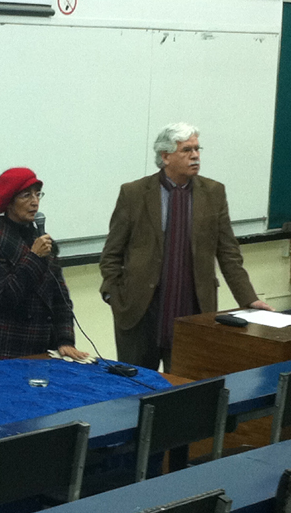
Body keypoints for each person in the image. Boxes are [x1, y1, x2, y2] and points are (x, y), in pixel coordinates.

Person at [99, 123, 272, 373]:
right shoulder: (134, 193)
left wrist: (249, 299)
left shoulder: (213, 192)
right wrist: (114, 295)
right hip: (140, 311)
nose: (195, 156)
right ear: (165, 156)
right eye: (186, 150)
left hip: (193, 308)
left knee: (187, 384)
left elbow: (228, 253)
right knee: (136, 385)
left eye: (197, 149)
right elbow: (111, 253)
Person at [0, 167, 89, 362]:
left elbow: (60, 297)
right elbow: (7, 295)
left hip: (46, 349)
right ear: (9, 202)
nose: (35, 202)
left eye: (38, 194)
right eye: (26, 195)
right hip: (7, 350)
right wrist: (34, 257)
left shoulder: (40, 237)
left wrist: (65, 339)